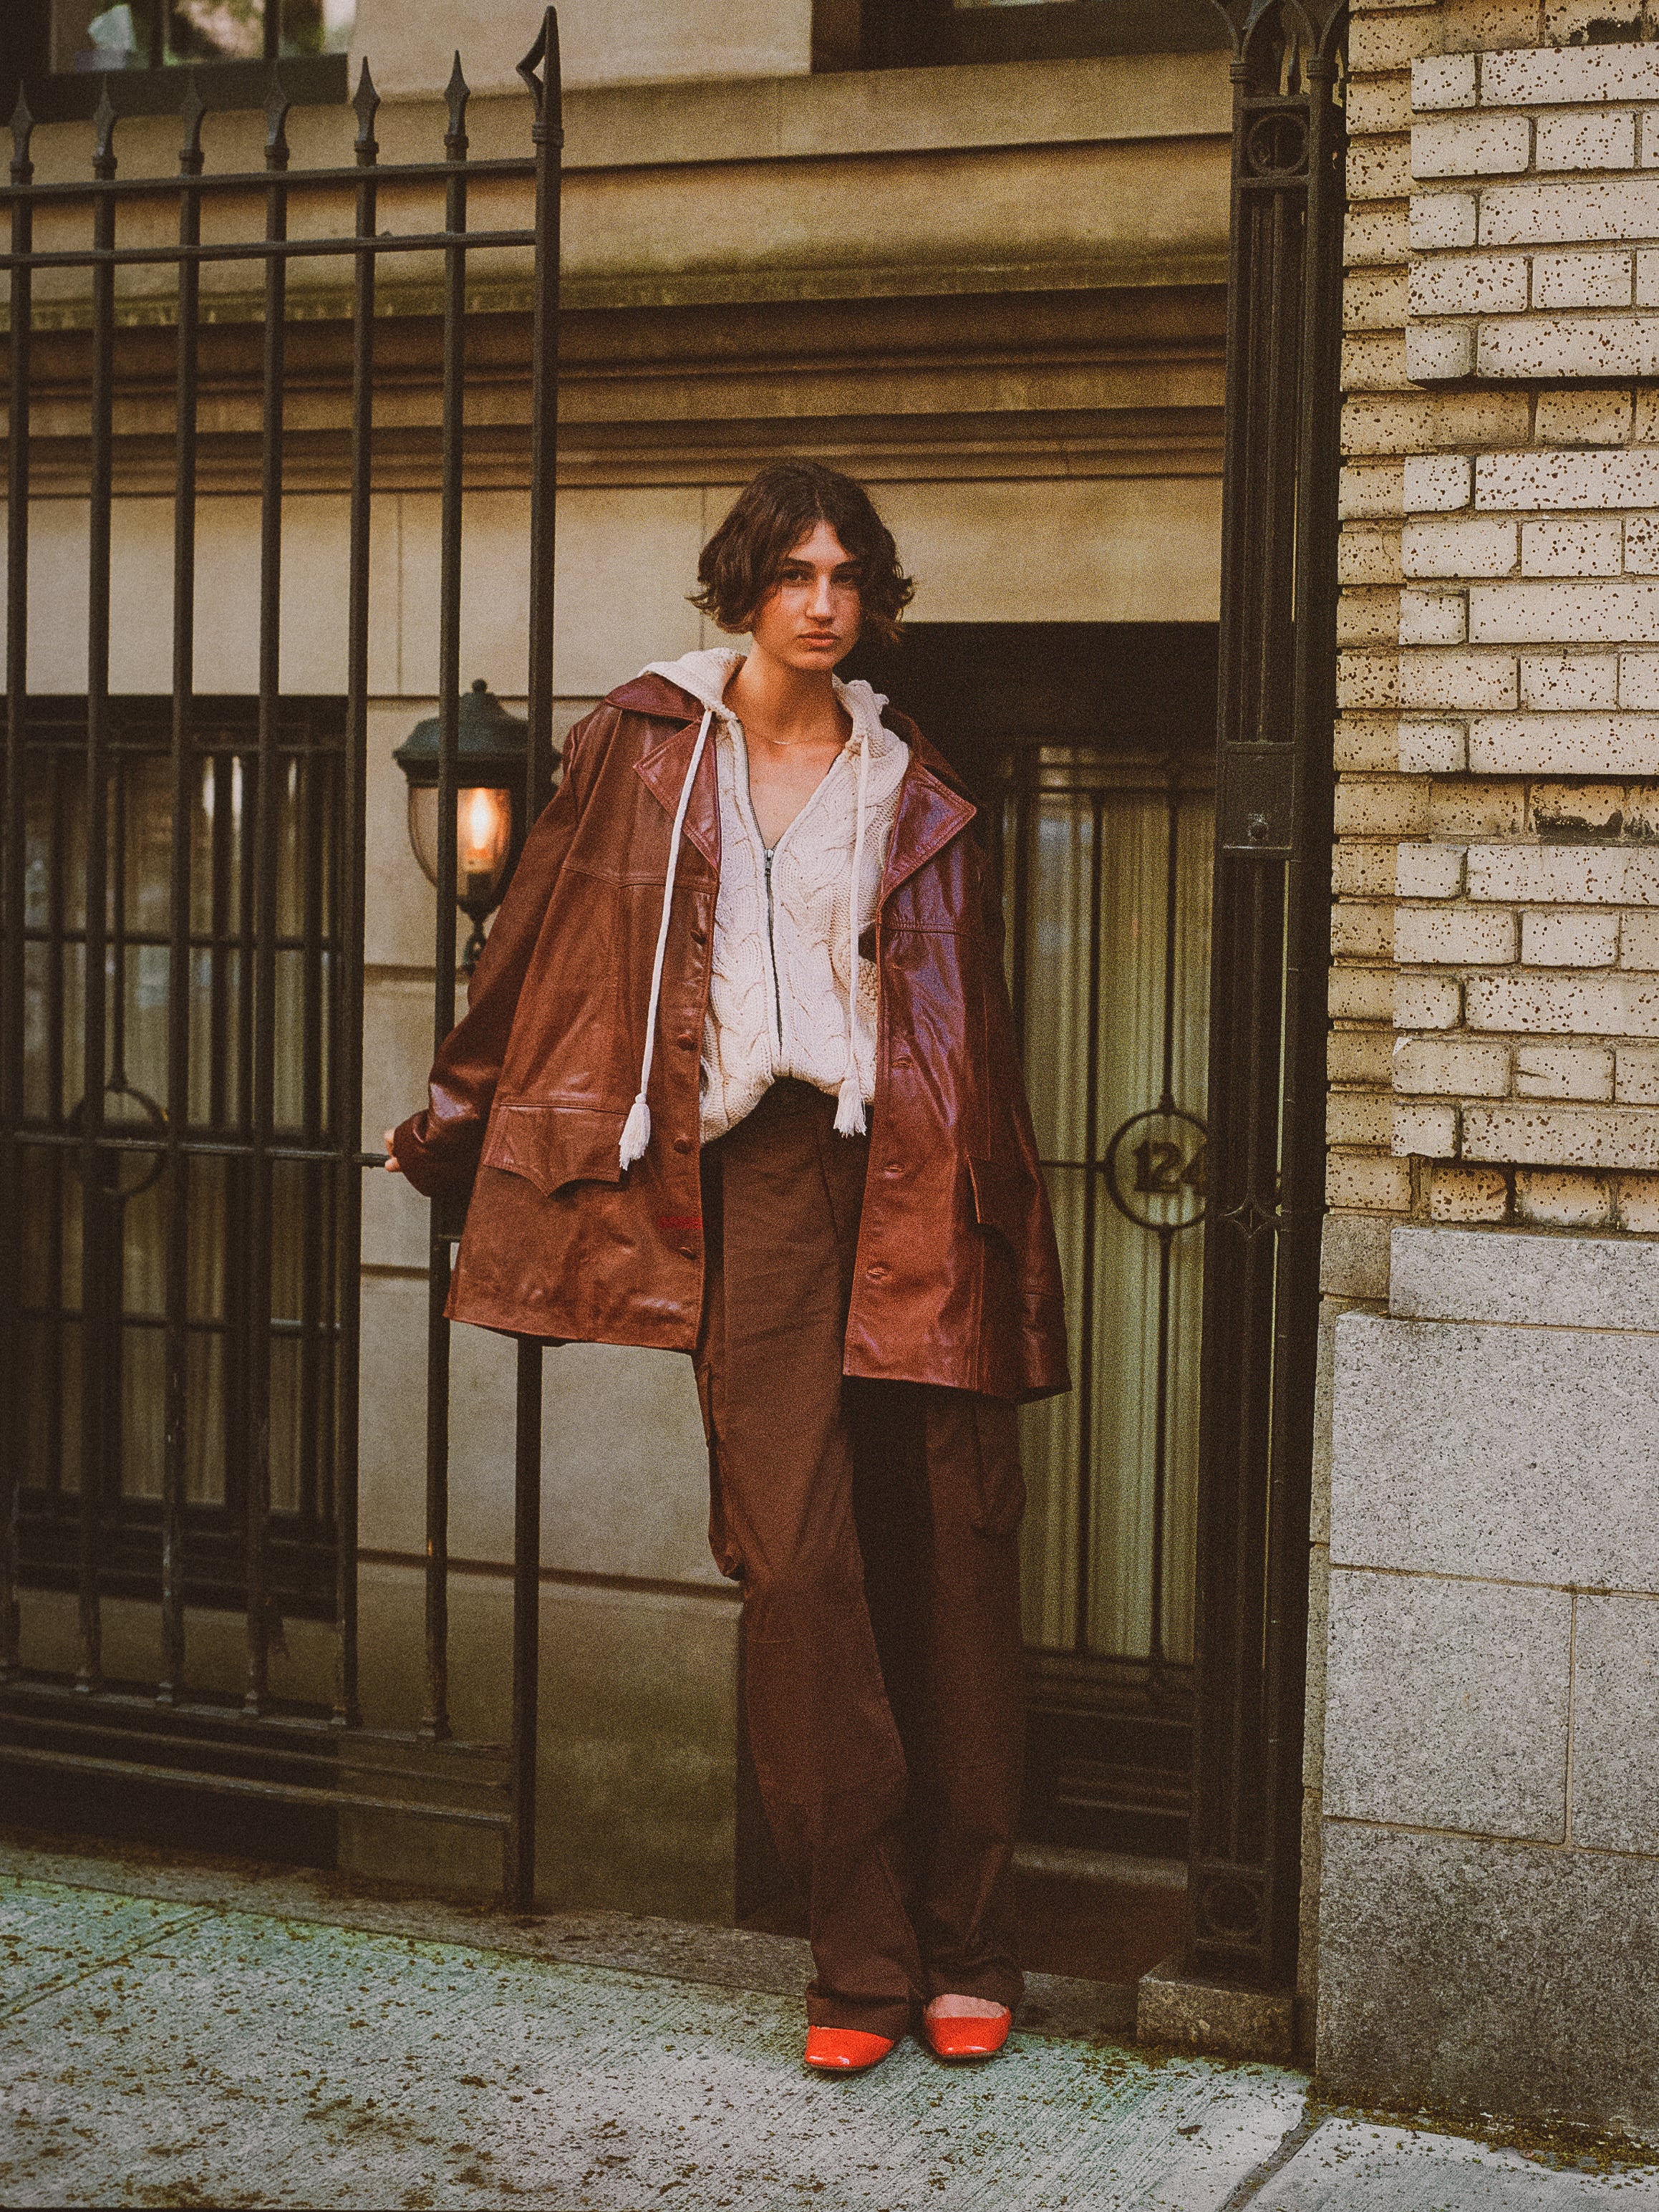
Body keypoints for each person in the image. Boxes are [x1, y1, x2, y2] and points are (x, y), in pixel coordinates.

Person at [387, 460, 1069, 2073]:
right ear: (742, 587)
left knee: (953, 1563)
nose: (821, 600)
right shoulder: (638, 749)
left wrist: (1001, 1239)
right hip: (750, 1181)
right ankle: (861, 1949)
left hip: (904, 1176)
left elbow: (976, 1042)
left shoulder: (920, 780)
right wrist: (459, 1123)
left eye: (846, 575)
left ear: (872, 598)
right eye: (793, 572)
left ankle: (973, 1941)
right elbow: (539, 938)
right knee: (799, 1566)